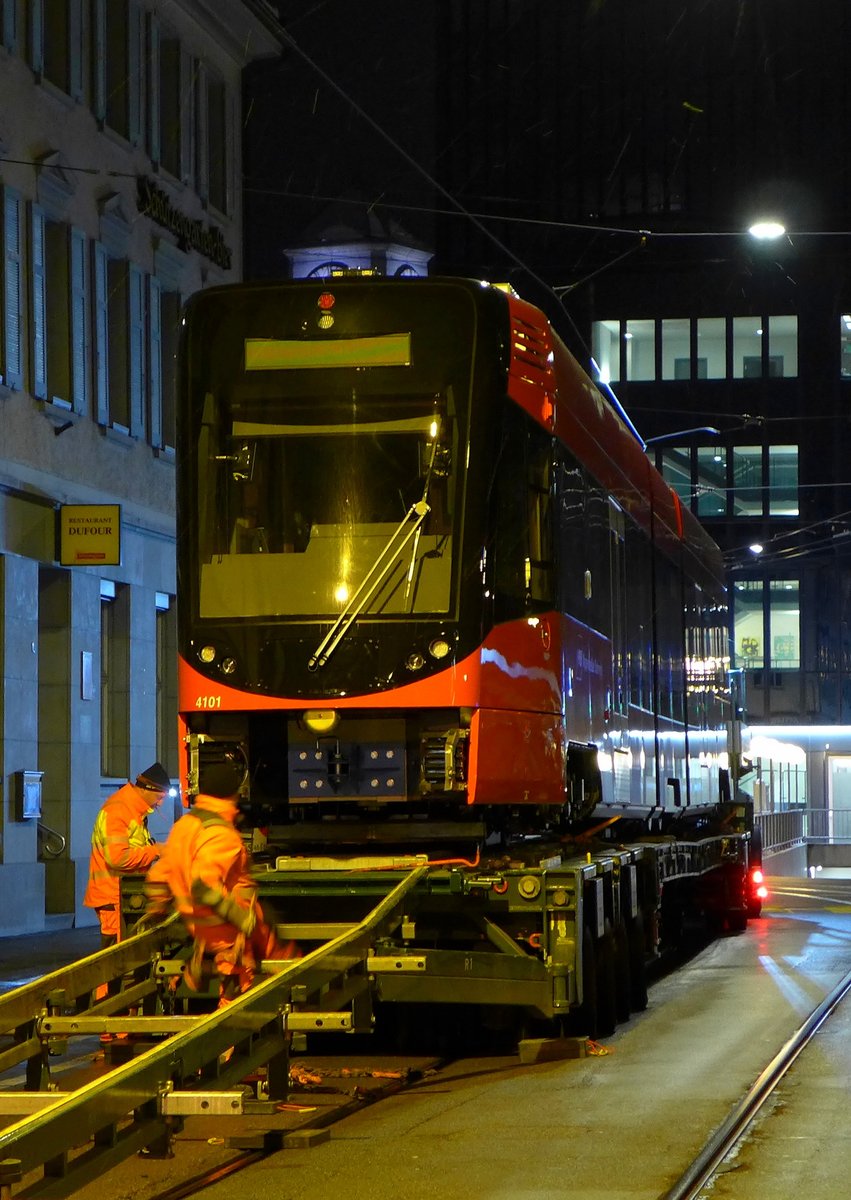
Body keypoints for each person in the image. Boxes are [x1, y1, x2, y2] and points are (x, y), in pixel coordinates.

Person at [142, 759, 299, 1008]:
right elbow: (204, 887)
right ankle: (297, 994)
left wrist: (156, 910)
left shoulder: (185, 826)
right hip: (226, 931)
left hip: (200, 929)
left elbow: (160, 874)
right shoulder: (222, 835)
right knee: (274, 940)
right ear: (233, 794)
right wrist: (242, 919)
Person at [83, 762, 172, 948]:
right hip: (113, 897)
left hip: (121, 895)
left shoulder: (132, 810)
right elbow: (118, 858)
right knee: (115, 959)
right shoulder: (119, 811)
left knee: (122, 957)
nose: (161, 803)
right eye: (160, 796)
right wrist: (156, 851)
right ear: (147, 789)